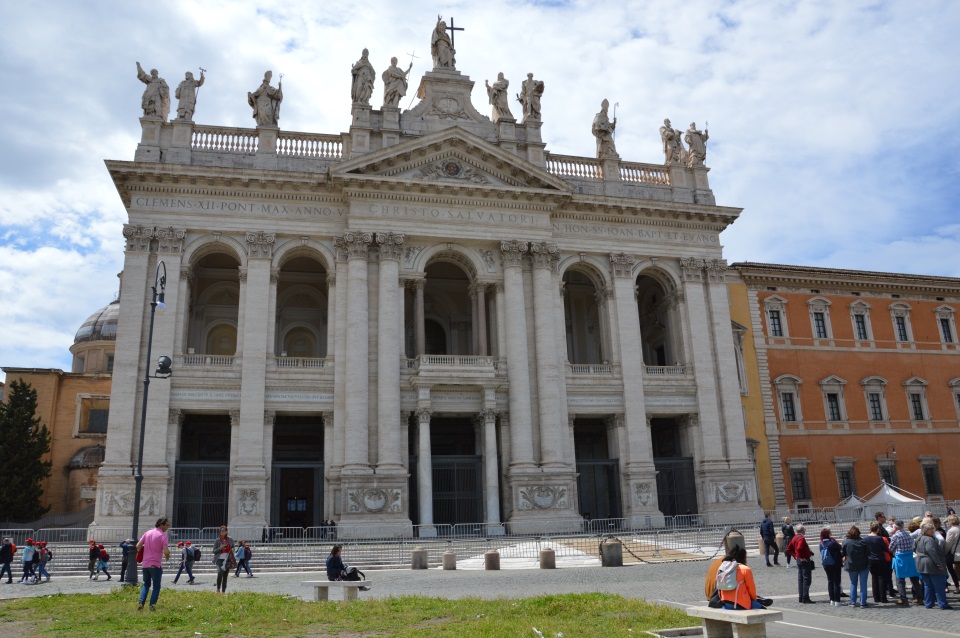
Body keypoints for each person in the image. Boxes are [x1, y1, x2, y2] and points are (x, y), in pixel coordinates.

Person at [136, 516, 171, 611]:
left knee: (146, 584)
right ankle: (152, 606)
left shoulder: (147, 533)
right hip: (155, 564)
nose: (168, 527)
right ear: (161, 524)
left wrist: (146, 551)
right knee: (156, 586)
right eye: (167, 525)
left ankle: (141, 602)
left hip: (145, 564)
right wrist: (167, 558)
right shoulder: (162, 536)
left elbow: (138, 546)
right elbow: (166, 552)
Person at [916, 521, 952, 609]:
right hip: (931, 564)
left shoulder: (919, 538)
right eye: (931, 529)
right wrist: (939, 564)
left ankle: (928, 603)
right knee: (939, 585)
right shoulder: (929, 539)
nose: (933, 531)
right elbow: (932, 552)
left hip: (921, 563)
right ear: (927, 531)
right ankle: (942, 603)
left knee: (928, 585)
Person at [717, 545, 765, 610]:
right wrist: (754, 599)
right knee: (762, 608)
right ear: (743, 557)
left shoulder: (723, 568)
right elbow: (751, 588)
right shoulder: (745, 569)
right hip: (740, 603)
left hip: (725, 602)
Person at [890, 519, 922, 606]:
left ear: (895, 527)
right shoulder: (908, 534)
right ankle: (920, 598)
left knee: (900, 580)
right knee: (914, 579)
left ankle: (903, 599)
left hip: (900, 559)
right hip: (910, 558)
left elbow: (891, 548)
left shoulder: (895, 536)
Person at [842, 525, 869, 608]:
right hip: (863, 564)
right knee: (863, 584)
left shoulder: (846, 542)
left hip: (851, 565)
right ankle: (863, 602)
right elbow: (867, 553)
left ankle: (853, 602)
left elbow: (843, 553)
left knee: (853, 583)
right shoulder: (863, 541)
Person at [785, 524, 814, 603]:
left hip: (799, 560)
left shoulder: (795, 537)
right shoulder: (801, 538)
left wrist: (796, 556)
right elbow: (799, 548)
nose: (805, 531)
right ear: (802, 530)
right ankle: (805, 597)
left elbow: (788, 549)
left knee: (800, 579)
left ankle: (801, 597)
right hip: (804, 560)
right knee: (806, 579)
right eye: (805, 529)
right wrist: (800, 556)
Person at [863, 521, 890, 603]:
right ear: (878, 529)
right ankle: (883, 598)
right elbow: (885, 549)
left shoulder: (865, 538)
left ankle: (876, 597)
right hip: (880, 559)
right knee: (881, 578)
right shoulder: (879, 538)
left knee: (874, 578)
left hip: (870, 559)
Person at [819, 527, 843, 606]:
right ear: (828, 534)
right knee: (836, 582)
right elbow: (840, 550)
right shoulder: (832, 543)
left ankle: (831, 599)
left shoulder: (821, 544)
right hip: (835, 564)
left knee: (830, 581)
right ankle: (837, 600)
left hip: (826, 564)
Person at [213, 525, 235, 594]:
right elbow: (214, 551)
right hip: (219, 559)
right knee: (220, 573)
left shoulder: (230, 539)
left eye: (223, 531)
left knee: (225, 575)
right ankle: (218, 589)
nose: (221, 532)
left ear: (226, 531)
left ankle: (223, 592)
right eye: (220, 531)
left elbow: (233, 547)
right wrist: (221, 547)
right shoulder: (217, 540)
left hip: (227, 559)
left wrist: (233, 549)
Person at [946, 515, 960, 595]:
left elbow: (948, 544)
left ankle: (957, 588)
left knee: (955, 571)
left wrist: (945, 552)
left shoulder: (951, 531)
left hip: (956, 554)